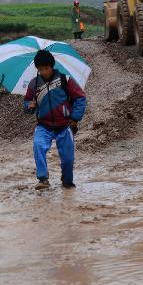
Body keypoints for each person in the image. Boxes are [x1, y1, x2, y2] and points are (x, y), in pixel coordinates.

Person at [23, 50, 86, 190]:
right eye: (40, 69)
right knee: (38, 146)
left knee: (68, 159)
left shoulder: (65, 80)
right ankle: (43, 179)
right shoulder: (33, 84)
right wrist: (29, 106)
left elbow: (80, 99)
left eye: (46, 68)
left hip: (64, 125)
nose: (43, 72)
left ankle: (67, 181)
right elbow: (27, 102)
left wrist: (75, 118)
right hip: (43, 125)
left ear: (52, 66)